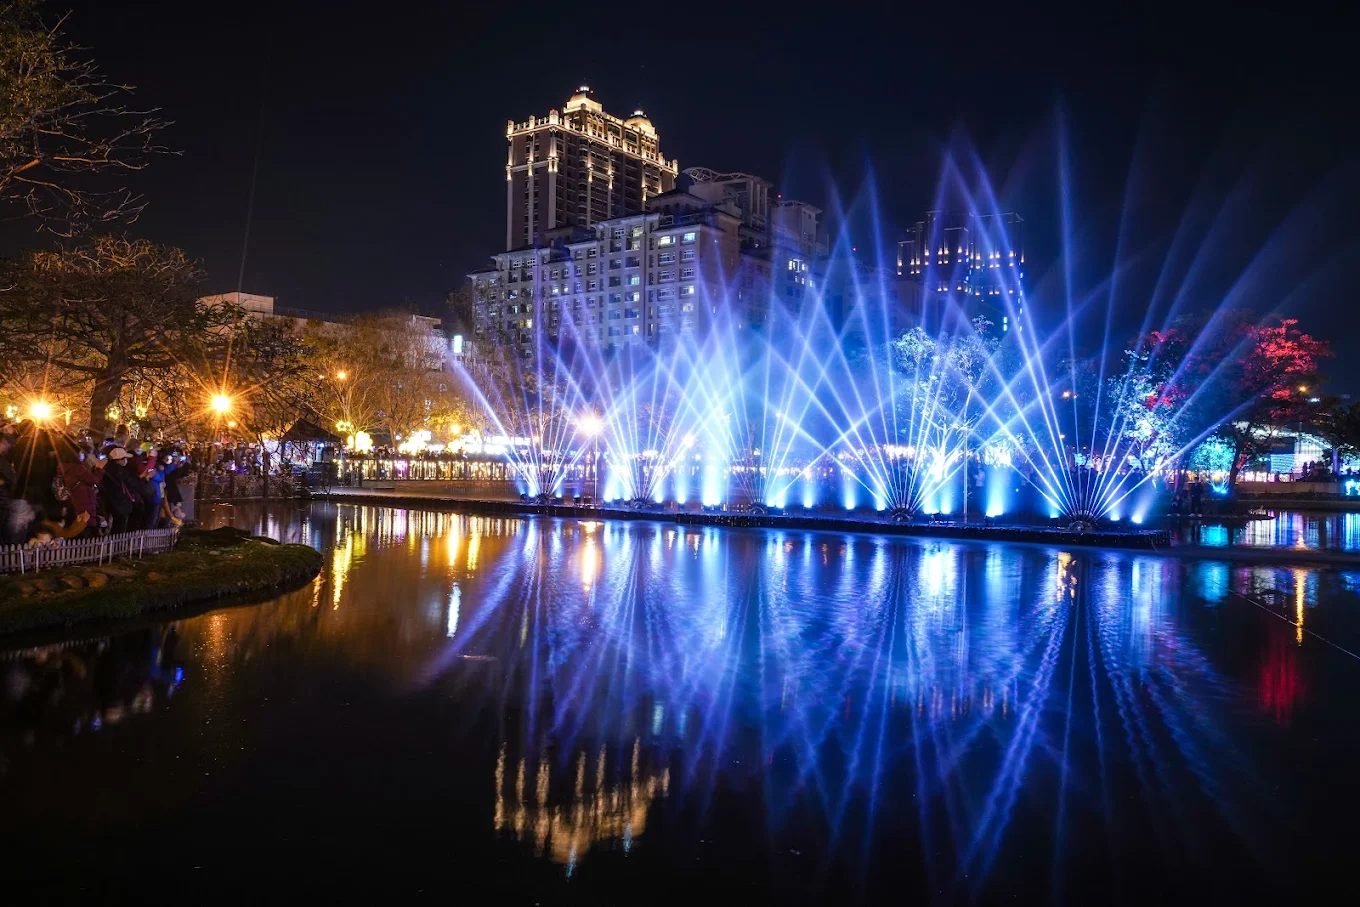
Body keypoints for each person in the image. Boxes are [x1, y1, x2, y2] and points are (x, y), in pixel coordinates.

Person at [58, 442, 105, 537]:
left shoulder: (62, 467)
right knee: (85, 528)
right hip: (84, 500)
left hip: (73, 500)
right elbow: (93, 480)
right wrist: (99, 469)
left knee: (75, 528)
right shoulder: (77, 469)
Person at [99, 447, 139, 533]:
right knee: (119, 525)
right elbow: (131, 481)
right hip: (118, 501)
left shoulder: (105, 468)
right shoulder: (119, 470)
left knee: (110, 524)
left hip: (107, 500)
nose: (126, 461)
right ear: (118, 460)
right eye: (124, 458)